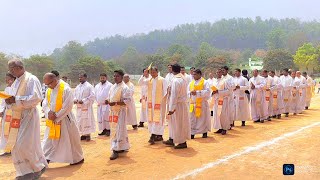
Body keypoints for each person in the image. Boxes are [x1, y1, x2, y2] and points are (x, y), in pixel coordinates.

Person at [5, 59, 47, 179]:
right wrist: (9, 100)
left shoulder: (31, 79)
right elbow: (12, 98)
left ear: (18, 67)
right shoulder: (16, 82)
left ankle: (37, 168)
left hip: (28, 115)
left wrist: (16, 99)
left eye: (11, 69)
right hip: (17, 116)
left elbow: (37, 97)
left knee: (24, 144)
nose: (10, 71)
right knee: (15, 145)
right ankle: (25, 172)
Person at [42, 73, 84, 165]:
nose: (48, 86)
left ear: (55, 80)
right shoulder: (49, 90)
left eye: (49, 83)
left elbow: (68, 106)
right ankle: (45, 158)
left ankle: (77, 158)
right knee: (49, 140)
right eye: (46, 84)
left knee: (70, 140)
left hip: (65, 119)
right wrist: (48, 112)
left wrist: (56, 115)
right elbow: (45, 103)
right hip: (52, 120)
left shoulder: (66, 89)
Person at [105, 70, 131, 160]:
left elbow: (127, 101)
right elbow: (109, 97)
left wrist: (115, 103)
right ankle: (122, 147)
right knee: (115, 130)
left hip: (120, 112)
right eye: (114, 76)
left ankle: (115, 150)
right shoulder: (113, 87)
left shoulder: (125, 88)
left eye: (117, 76)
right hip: (113, 112)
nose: (115, 78)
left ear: (121, 77)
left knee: (119, 130)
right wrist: (107, 100)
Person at [164, 64, 190, 149]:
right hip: (180, 104)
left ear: (173, 70)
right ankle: (172, 138)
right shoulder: (183, 78)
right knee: (173, 123)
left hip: (177, 105)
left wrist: (171, 108)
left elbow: (174, 95)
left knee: (179, 123)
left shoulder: (176, 80)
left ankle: (182, 142)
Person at [145, 67, 168, 145]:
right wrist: (144, 74)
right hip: (151, 103)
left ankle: (152, 136)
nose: (152, 74)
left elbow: (165, 91)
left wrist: (162, 100)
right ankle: (159, 135)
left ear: (157, 72)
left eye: (154, 72)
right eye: (151, 72)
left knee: (158, 119)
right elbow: (141, 83)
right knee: (152, 119)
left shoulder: (162, 80)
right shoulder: (149, 80)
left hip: (159, 103)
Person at [188, 69, 211, 139]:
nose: (193, 76)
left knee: (202, 119)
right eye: (193, 74)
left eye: (195, 74)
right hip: (192, 103)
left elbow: (207, 92)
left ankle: (204, 132)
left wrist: (197, 93)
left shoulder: (205, 82)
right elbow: (187, 91)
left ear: (199, 74)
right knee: (192, 119)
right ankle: (192, 133)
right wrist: (190, 93)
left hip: (201, 103)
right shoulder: (191, 83)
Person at [74, 73, 96, 141]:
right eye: (79, 77)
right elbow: (74, 95)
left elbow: (92, 96)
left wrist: (83, 101)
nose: (80, 78)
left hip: (86, 107)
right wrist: (75, 100)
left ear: (85, 77)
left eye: (81, 77)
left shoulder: (89, 86)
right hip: (79, 107)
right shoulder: (78, 87)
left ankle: (88, 135)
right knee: (79, 120)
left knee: (87, 120)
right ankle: (83, 134)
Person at [0, 72, 16, 155]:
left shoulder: (17, 88)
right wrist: (1, 110)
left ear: (12, 79)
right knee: (5, 130)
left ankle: (14, 149)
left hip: (15, 113)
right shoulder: (6, 89)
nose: (6, 80)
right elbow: (3, 101)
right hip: (7, 113)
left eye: (7, 78)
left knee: (13, 130)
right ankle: (7, 149)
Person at [212, 68, 230, 135]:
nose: (218, 73)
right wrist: (213, 92)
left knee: (223, 114)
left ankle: (224, 128)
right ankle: (219, 127)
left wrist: (218, 91)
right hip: (216, 99)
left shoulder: (225, 81)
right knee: (217, 114)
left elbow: (228, 91)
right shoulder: (214, 81)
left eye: (220, 72)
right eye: (217, 72)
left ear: (222, 73)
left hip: (222, 100)